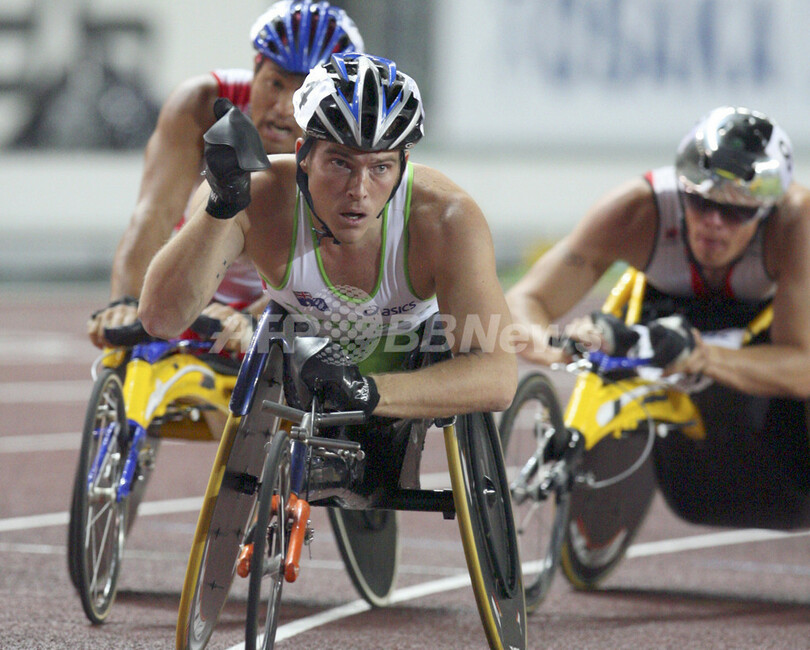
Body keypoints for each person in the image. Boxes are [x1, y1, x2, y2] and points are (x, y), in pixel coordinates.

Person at [138, 52, 517, 424]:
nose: (359, 190)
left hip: (408, 355)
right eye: (340, 163)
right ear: (303, 155)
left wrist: (368, 390)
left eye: (381, 167)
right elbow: (161, 319)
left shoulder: (447, 219)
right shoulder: (259, 195)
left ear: (403, 167)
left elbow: (497, 377)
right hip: (295, 346)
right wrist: (220, 208)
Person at [507, 105, 810, 527]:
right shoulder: (638, 209)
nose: (714, 223)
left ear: (767, 208)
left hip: (763, 337)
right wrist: (557, 349)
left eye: (737, 210)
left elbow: (802, 366)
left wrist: (705, 355)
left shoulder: (796, 221)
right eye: (700, 201)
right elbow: (525, 299)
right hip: (659, 312)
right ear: (681, 187)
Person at [87, 0, 364, 350]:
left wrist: (254, 317)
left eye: (303, 92)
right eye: (275, 83)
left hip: (287, 298)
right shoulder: (202, 101)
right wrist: (124, 303)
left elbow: (343, 260)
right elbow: (154, 212)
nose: (282, 108)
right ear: (255, 68)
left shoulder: (349, 138)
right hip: (191, 276)